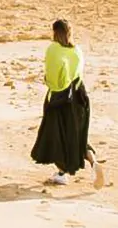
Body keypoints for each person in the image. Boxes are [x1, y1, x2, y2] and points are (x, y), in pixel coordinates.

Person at [30, 19, 104, 187]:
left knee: (55, 135)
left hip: (61, 99)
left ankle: (62, 174)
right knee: (77, 136)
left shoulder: (53, 49)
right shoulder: (77, 50)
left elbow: (55, 80)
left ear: (55, 32)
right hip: (80, 96)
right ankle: (93, 163)